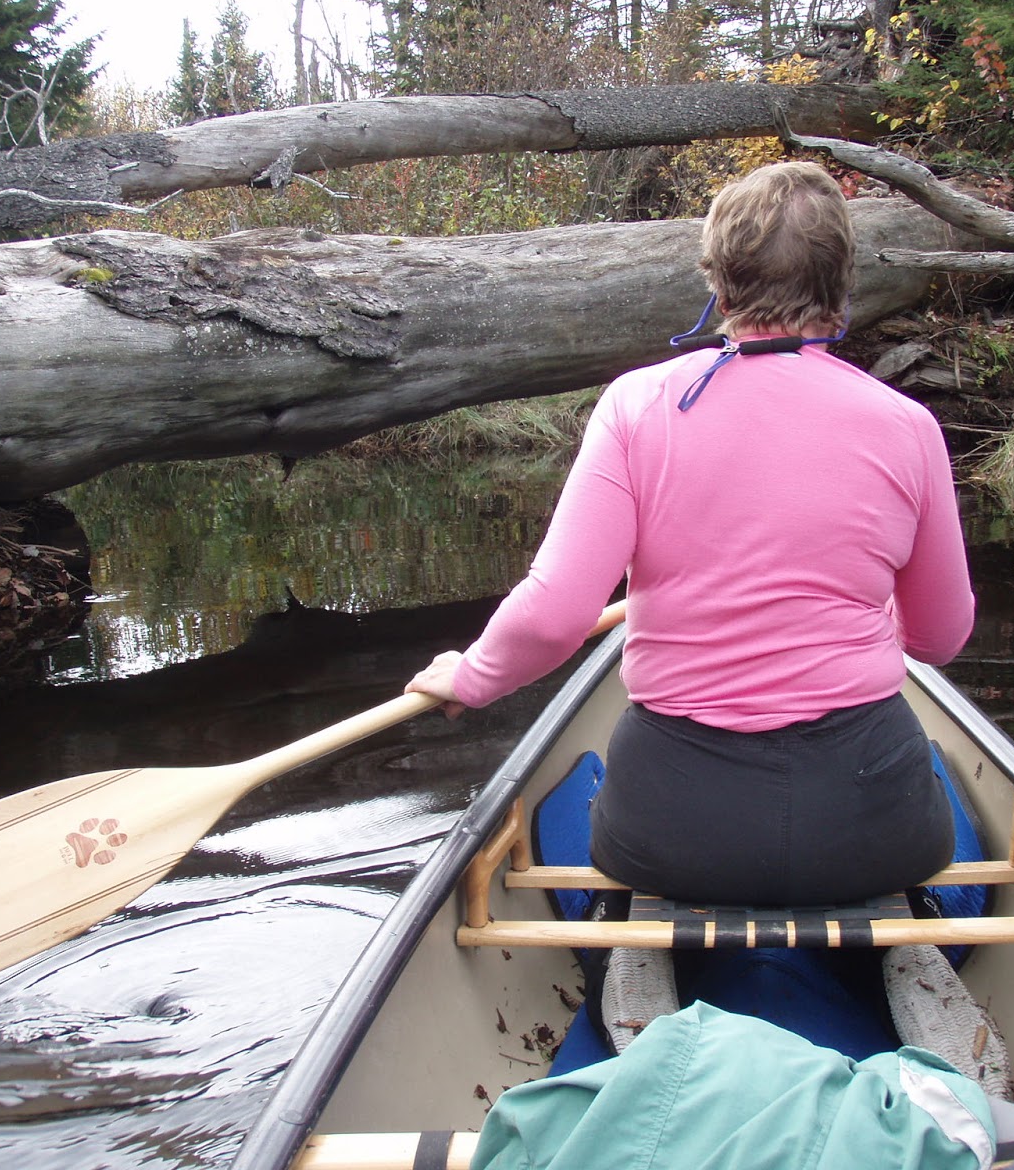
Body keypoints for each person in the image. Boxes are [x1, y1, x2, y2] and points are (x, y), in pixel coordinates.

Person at [406, 160, 975, 907]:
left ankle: (640, 951)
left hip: (674, 831)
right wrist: (866, 610)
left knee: (585, 815)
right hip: (873, 827)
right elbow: (938, 640)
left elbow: (554, 617)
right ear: (841, 286)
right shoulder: (909, 427)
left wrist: (474, 675)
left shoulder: (638, 405)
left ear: (719, 282)